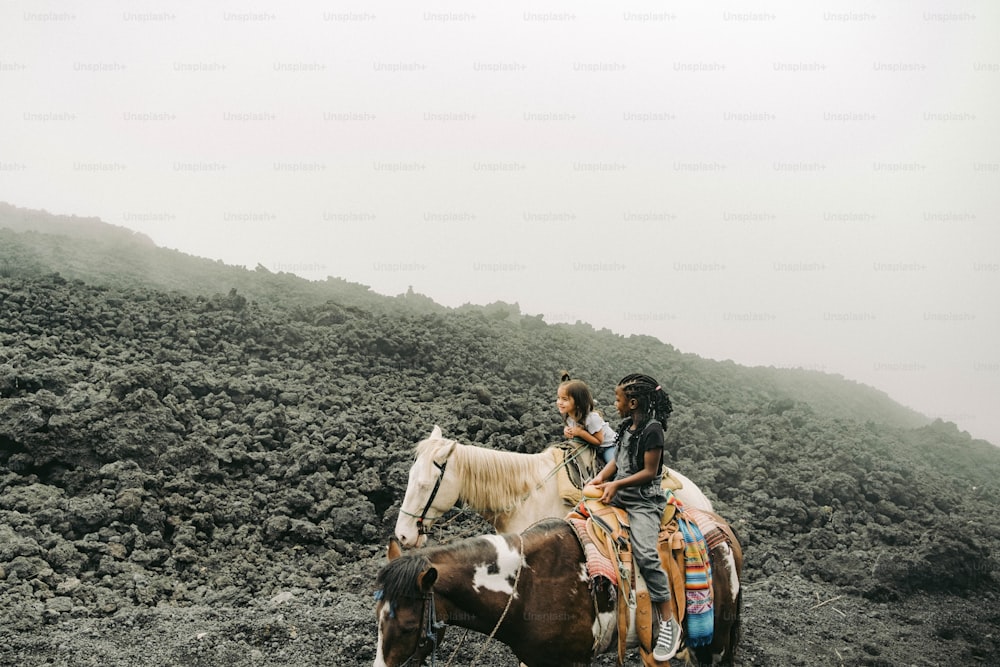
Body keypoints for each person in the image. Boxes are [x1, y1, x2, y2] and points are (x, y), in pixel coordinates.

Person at [589, 373, 681, 662]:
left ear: (632, 402)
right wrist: (599, 478)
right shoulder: (626, 426)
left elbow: (650, 472)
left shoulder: (653, 430)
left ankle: (668, 622)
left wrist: (615, 484)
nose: (614, 404)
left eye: (618, 400)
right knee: (579, 510)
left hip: (643, 501)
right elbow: (617, 460)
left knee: (645, 553)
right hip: (622, 493)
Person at [556, 373, 616, 465]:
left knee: (614, 465)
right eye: (558, 398)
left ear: (578, 402)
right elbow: (574, 430)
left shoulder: (591, 418)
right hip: (587, 444)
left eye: (564, 399)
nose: (560, 402)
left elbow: (599, 441)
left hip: (607, 446)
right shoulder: (568, 415)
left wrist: (581, 433)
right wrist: (567, 431)